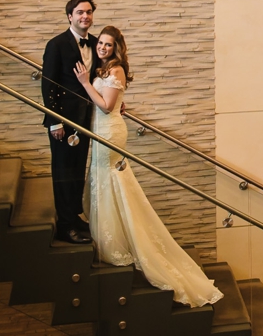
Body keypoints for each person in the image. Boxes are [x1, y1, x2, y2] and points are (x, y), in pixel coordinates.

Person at [73, 26, 223, 308]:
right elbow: (111, 101)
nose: (102, 48)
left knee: (110, 181)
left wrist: (84, 83)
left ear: (117, 47)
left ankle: (121, 244)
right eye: (100, 43)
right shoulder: (104, 68)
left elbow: (105, 105)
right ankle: (110, 240)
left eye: (108, 44)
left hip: (109, 133)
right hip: (103, 130)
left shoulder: (115, 70)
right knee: (104, 182)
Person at [41, 0, 99, 244]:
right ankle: (65, 225)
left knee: (77, 170)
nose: (84, 16)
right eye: (79, 12)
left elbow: (98, 80)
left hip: (85, 120)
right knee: (63, 172)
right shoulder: (56, 44)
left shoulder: (96, 43)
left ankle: (75, 216)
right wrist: (55, 121)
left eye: (88, 12)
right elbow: (48, 84)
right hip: (63, 123)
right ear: (70, 16)